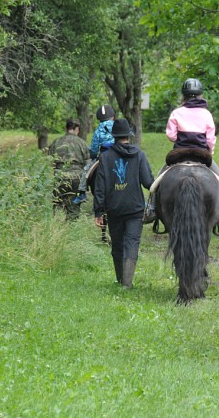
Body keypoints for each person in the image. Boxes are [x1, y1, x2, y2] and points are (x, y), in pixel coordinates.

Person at [143, 78, 219, 230]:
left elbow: (171, 136)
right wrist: (210, 151)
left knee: (156, 181)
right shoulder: (206, 114)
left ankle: (151, 209)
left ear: (183, 95)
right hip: (201, 154)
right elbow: (210, 139)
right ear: (200, 95)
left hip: (180, 153)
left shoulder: (176, 113)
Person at [92, 118, 154, 288]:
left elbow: (100, 186)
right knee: (132, 243)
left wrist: (98, 211)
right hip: (135, 208)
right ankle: (127, 284)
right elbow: (148, 183)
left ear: (114, 136)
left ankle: (120, 280)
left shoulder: (105, 157)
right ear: (129, 135)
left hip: (114, 209)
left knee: (117, 245)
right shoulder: (139, 155)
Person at [73, 104, 116, 204]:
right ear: (113, 116)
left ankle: (82, 193)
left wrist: (93, 157)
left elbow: (93, 149)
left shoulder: (98, 130)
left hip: (104, 155)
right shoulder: (118, 126)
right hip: (119, 153)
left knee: (86, 170)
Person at [47, 118, 90, 220]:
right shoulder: (82, 143)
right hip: (77, 179)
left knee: (58, 205)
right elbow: (88, 165)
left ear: (66, 128)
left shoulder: (56, 142)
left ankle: (56, 226)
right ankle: (71, 225)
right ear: (77, 129)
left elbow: (51, 163)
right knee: (74, 208)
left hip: (60, 177)